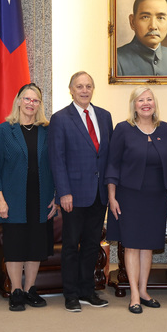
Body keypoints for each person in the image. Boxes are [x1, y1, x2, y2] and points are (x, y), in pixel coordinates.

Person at [0, 84, 58, 312]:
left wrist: (55, 197)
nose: (31, 103)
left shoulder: (47, 130)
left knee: (35, 246)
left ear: (40, 104)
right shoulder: (4, 130)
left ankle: (30, 289)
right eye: (27, 99)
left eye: (35, 100)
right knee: (16, 246)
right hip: (13, 199)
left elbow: (55, 166)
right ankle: (16, 291)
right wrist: (0, 199)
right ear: (18, 101)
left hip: (41, 198)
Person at [49, 71, 113, 312]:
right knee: (71, 245)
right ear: (71, 90)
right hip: (73, 195)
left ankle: (88, 290)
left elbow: (108, 156)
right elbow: (57, 158)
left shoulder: (105, 116)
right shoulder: (61, 118)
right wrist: (63, 192)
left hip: (99, 193)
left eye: (88, 86)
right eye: (79, 86)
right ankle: (71, 293)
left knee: (91, 245)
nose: (84, 90)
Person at [106, 87, 167, 314]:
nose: (146, 103)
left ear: (155, 103)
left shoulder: (166, 128)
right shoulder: (123, 129)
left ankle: (144, 291)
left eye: (149, 99)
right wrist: (112, 196)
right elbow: (113, 164)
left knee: (148, 245)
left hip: (156, 197)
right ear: (133, 105)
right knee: (132, 245)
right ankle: (134, 294)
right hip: (129, 195)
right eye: (140, 100)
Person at [116, 0, 167, 76]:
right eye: (145, 17)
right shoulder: (117, 59)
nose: (153, 26)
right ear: (132, 22)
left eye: (160, 18)